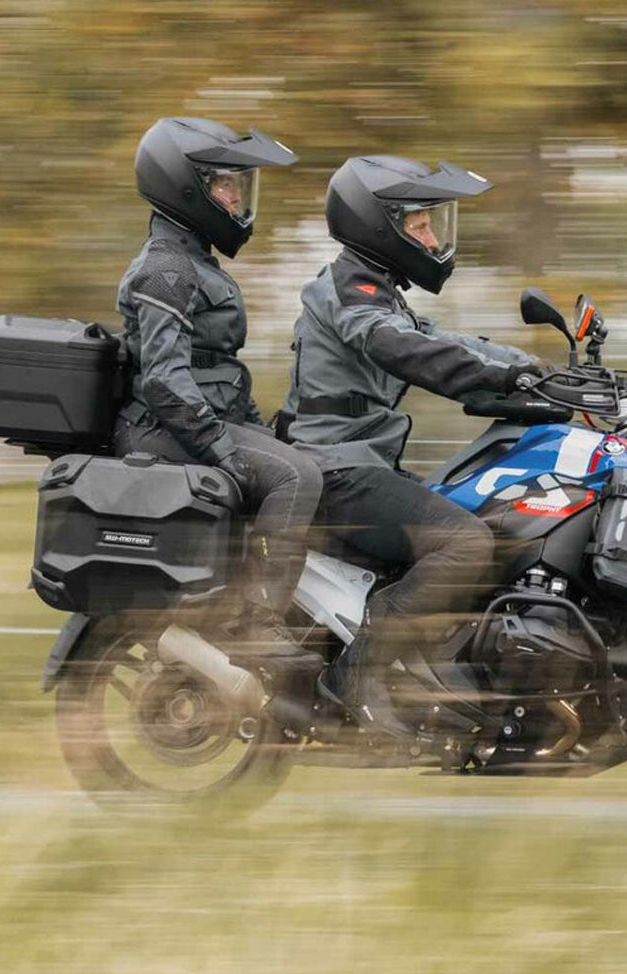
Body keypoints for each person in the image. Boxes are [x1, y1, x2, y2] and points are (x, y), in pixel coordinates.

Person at [279, 155, 559, 737]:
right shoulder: (349, 291)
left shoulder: (379, 295)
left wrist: (540, 369)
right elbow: (406, 349)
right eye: (420, 225)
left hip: (364, 467)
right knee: (464, 543)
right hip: (337, 473)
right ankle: (357, 673)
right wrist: (508, 378)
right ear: (379, 225)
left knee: (500, 520)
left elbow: (444, 339)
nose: (433, 239)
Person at [112, 116, 323, 666]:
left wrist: (258, 428)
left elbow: (217, 367)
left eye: (236, 186)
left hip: (189, 420)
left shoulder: (193, 259)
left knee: (304, 460)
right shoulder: (166, 267)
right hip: (160, 428)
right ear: (185, 187)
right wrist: (224, 449)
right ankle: (259, 624)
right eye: (224, 185)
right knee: (297, 477)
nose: (235, 198)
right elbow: (164, 377)